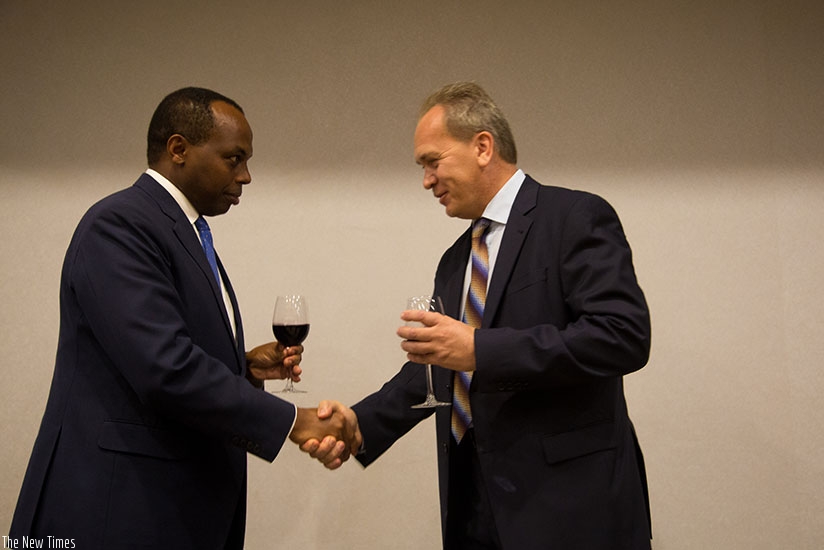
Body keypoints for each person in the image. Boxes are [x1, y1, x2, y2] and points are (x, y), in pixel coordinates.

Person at [9, 87, 361, 550]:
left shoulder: (183, 231)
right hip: (116, 514)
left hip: (168, 512)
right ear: (178, 149)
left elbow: (163, 351)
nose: (246, 176)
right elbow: (164, 369)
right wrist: (294, 421)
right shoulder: (120, 224)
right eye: (234, 158)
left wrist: (244, 369)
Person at [308, 82, 652, 549]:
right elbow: (438, 370)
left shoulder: (574, 216)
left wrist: (479, 348)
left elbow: (622, 336)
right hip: (474, 510)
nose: (426, 180)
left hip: (569, 511)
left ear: (483, 147)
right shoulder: (455, 261)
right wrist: (358, 423)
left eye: (433, 161)